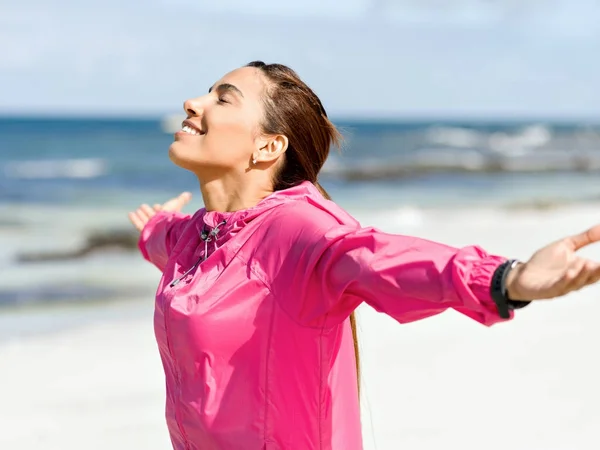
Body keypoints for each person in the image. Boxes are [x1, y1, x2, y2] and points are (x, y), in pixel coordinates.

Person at [128, 61, 600, 450]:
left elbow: (379, 258)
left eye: (223, 97)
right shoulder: (194, 239)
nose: (194, 102)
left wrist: (504, 280)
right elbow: (173, 246)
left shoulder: (300, 231)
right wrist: (151, 228)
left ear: (268, 145)